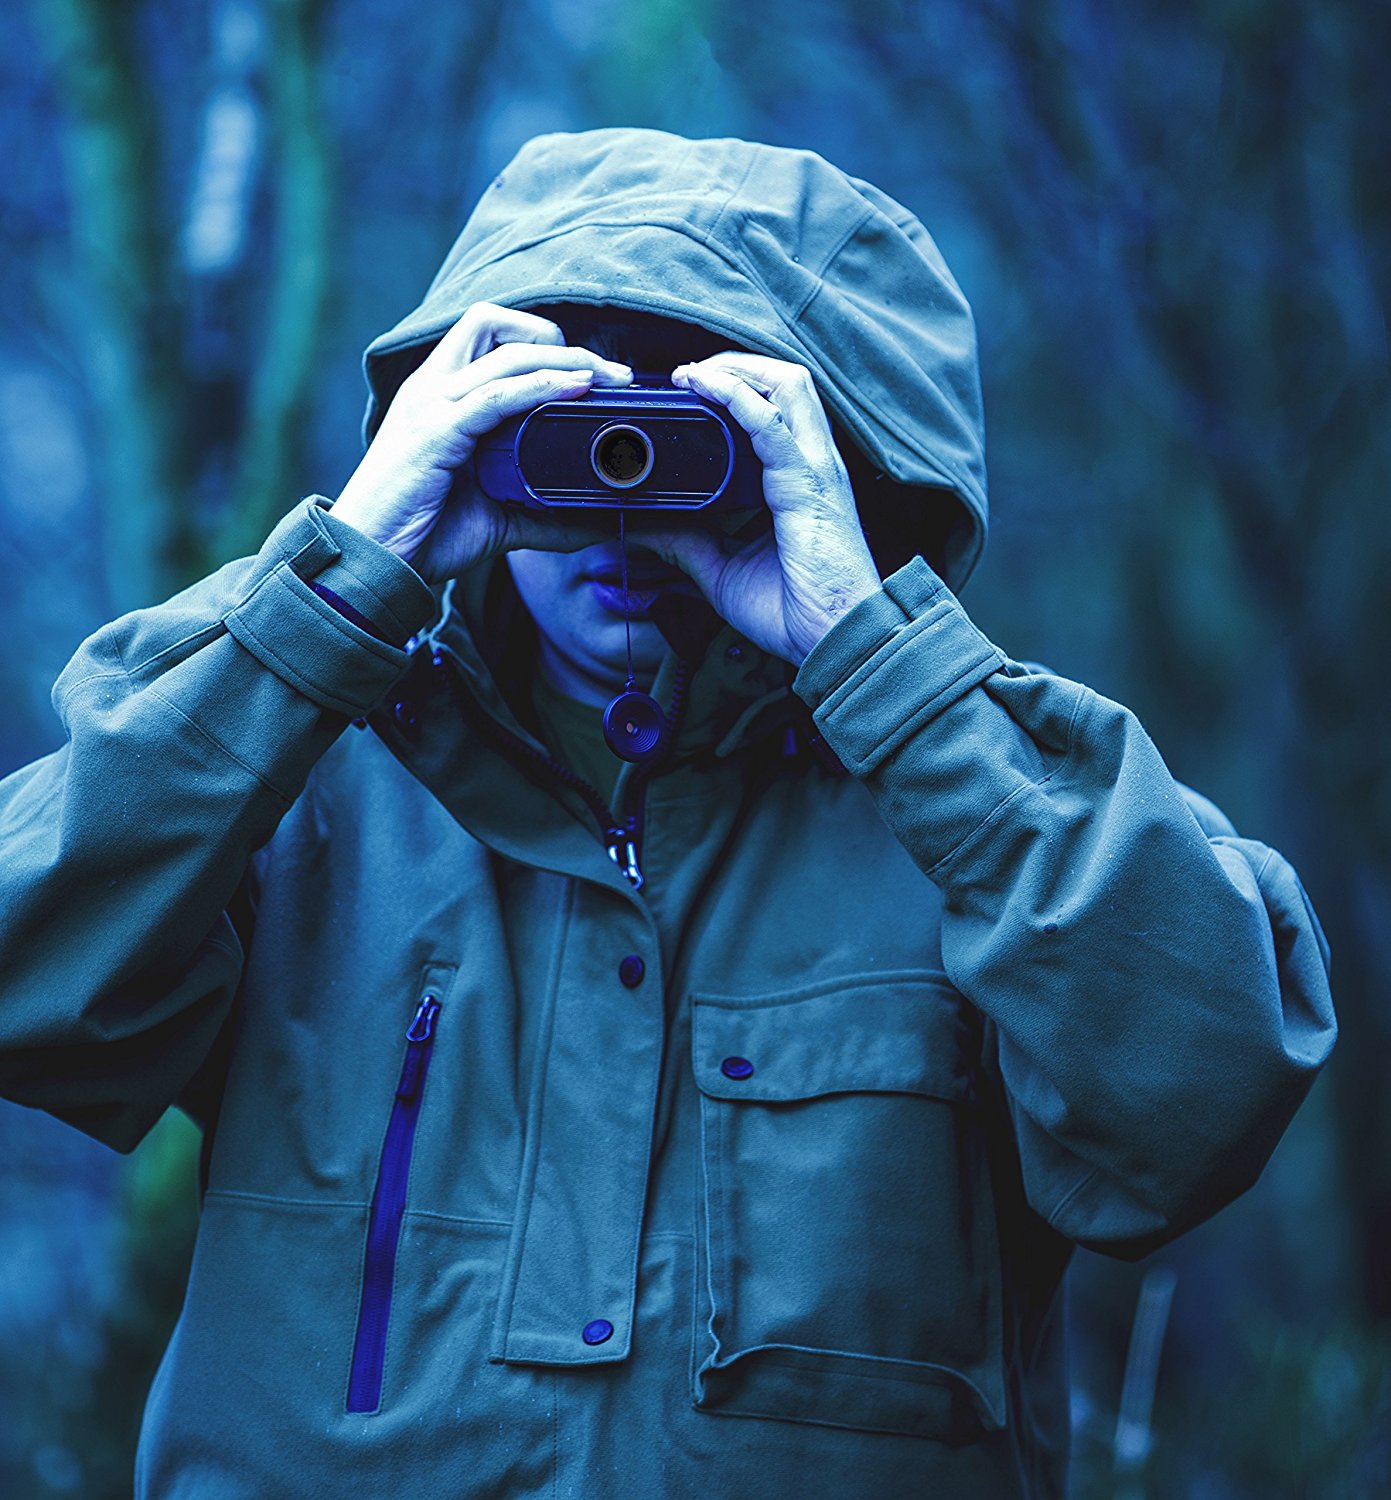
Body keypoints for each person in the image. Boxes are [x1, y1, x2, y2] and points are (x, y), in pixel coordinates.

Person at [0, 128, 1335, 1498]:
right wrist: (335, 590)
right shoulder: (303, 778)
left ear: (850, 468)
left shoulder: (979, 805)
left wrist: (884, 663)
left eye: (694, 444)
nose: (619, 499)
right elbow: (27, 973)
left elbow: (1201, 1094)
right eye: (563, 439)